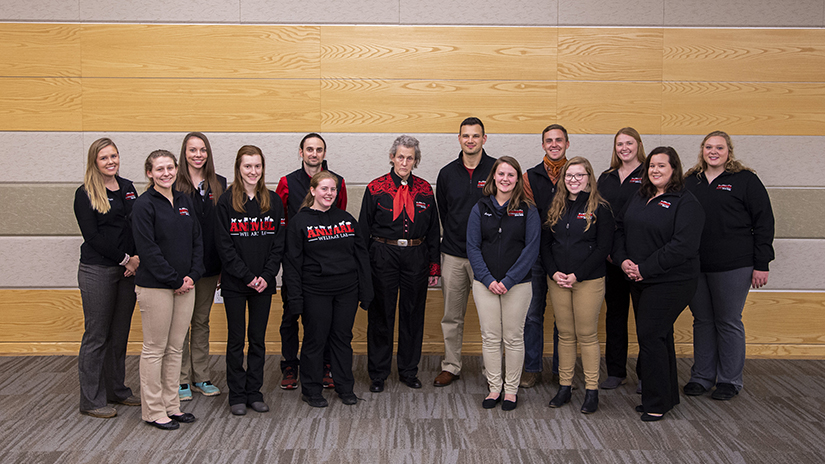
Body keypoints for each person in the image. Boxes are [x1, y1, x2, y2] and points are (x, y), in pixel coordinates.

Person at [613, 146, 704, 421]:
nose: (655, 170)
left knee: (650, 336)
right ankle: (667, 396)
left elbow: (682, 247)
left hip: (672, 281)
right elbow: (620, 228)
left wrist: (645, 268)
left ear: (674, 169)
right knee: (661, 337)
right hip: (639, 278)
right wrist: (623, 260)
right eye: (651, 166)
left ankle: (655, 403)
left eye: (661, 166)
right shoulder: (641, 196)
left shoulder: (686, 203)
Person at [683, 131, 775, 401]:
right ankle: (701, 376)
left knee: (728, 321)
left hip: (735, 265)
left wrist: (762, 263)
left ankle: (729, 380)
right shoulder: (690, 181)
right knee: (702, 321)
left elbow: (764, 223)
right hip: (697, 264)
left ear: (728, 151)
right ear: (702, 150)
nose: (713, 151)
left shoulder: (745, 180)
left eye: (719, 147)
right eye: (708, 147)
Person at [283, 171, 373, 408]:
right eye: (324, 189)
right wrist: (295, 299)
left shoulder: (346, 219)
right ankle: (311, 390)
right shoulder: (299, 222)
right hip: (315, 292)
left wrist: (366, 291)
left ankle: (345, 387)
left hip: (347, 291)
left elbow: (361, 256)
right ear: (312, 191)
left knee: (343, 339)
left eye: (332, 189)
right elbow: (292, 264)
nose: (329, 194)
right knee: (315, 340)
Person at [359, 135, 440, 393]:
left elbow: (433, 230)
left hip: (416, 255)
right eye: (401, 156)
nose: (404, 162)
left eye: (410, 157)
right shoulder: (375, 188)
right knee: (382, 314)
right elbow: (363, 231)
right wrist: (364, 268)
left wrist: (434, 266)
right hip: (383, 254)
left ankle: (408, 370)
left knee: (413, 314)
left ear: (416, 160)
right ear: (392, 157)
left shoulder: (426, 190)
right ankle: (378, 374)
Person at [132, 150, 204, 430]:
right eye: (159, 169)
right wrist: (175, 280)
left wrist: (193, 276)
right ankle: (152, 410)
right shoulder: (143, 205)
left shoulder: (185, 200)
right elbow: (148, 250)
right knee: (154, 349)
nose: (166, 173)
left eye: (170, 168)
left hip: (186, 286)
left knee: (176, 348)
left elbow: (197, 239)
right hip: (156, 287)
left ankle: (172, 405)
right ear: (149, 173)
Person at [214, 145, 285, 415]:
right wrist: (247, 276)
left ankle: (254, 392)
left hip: (264, 285)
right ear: (239, 168)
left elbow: (278, 244)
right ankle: (237, 395)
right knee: (235, 340)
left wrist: (266, 276)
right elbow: (224, 246)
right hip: (235, 283)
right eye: (247, 166)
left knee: (257, 340)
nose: (252, 171)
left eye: (257, 166)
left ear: (262, 168)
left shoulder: (274, 201)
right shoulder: (226, 201)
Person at [73, 138, 141, 418]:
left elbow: (139, 224)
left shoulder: (127, 188)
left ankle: (117, 390)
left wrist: (135, 260)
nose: (111, 161)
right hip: (98, 270)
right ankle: (91, 400)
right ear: (94, 162)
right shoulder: (85, 192)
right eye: (104, 158)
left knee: (119, 334)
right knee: (97, 335)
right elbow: (93, 237)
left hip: (128, 271)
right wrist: (125, 259)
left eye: (114, 156)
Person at [275, 133, 348, 390]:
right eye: (309, 149)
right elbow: (280, 223)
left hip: (325, 269)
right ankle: (289, 365)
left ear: (324, 153)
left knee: (324, 319)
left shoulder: (336, 182)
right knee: (291, 315)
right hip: (296, 263)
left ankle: (325, 365)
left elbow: (339, 220)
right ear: (301, 152)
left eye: (318, 149)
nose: (314, 154)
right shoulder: (287, 182)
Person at [467, 156, 540, 411]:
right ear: (493, 178)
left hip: (518, 285)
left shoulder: (528, 209)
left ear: (517, 179)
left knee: (513, 338)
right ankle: (494, 387)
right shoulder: (480, 207)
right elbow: (473, 247)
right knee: (490, 337)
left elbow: (531, 250)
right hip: (484, 284)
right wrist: (488, 279)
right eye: (501, 174)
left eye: (511, 175)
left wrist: (508, 280)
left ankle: (511, 390)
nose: (505, 179)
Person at [543, 157, 614, 414]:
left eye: (579, 175)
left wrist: (577, 274)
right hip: (558, 280)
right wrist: (554, 272)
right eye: (569, 176)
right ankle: (565, 386)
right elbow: (546, 244)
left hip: (588, 280)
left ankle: (592, 390)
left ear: (589, 178)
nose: (574, 180)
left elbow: (604, 247)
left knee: (586, 335)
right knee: (565, 334)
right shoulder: (556, 205)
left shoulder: (600, 208)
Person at [433, 117, 497, 387]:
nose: (470, 140)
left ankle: (492, 370)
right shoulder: (447, 173)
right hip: (454, 255)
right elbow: (444, 213)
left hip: (489, 257)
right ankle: (451, 365)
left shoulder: (496, 169)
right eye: (465, 136)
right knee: (452, 316)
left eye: (475, 135)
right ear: (459, 139)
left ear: (484, 138)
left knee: (491, 318)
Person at [175, 132, 226, 402]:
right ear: (184, 153)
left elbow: (222, 228)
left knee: (201, 321)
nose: (198, 155)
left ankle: (201, 376)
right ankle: (181, 379)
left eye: (202, 149)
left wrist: (222, 268)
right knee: (181, 324)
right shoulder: (174, 183)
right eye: (193, 150)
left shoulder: (220, 184)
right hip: (182, 268)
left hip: (209, 266)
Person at [596, 127, 646, 391]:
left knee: (644, 317)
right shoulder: (606, 177)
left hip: (639, 259)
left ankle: (645, 374)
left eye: (629, 143)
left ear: (638, 145)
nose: (624, 148)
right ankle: (616, 371)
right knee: (615, 315)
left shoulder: (650, 175)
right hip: (611, 258)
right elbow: (598, 215)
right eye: (619, 144)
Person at [521, 124, 569, 388]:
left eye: (558, 140)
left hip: (566, 255)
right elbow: (529, 217)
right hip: (538, 256)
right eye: (549, 140)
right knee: (532, 314)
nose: (554, 144)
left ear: (567, 144)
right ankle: (532, 368)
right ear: (542, 145)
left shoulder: (577, 172)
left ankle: (563, 370)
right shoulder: (529, 177)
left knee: (563, 316)